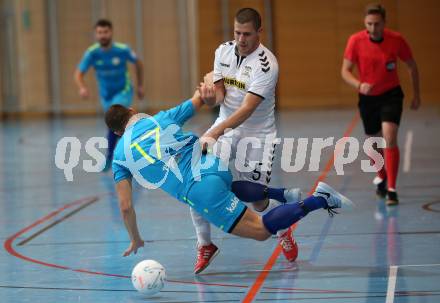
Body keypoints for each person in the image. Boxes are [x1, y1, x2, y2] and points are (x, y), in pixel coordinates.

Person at [104, 91, 353, 263]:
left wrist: (135, 238)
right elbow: (199, 98)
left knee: (262, 230)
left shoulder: (120, 157)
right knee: (228, 187)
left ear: (116, 132)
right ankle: (280, 194)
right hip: (213, 164)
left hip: (200, 188)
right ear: (132, 111)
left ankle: (319, 199)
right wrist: (210, 83)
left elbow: (125, 206)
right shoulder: (160, 118)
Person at [189, 7, 303, 274]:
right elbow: (220, 95)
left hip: (257, 134)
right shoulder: (223, 51)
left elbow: (246, 110)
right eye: (237, 33)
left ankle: (283, 228)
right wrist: (209, 99)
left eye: (247, 34)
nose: (241, 39)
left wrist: (216, 131)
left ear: (259, 33)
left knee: (258, 203)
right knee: (197, 180)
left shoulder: (267, 65)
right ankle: (204, 244)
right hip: (225, 126)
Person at [341, 3, 421, 206]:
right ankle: (382, 175)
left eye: (377, 24)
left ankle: (392, 189)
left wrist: (416, 95)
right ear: (364, 23)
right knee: (372, 144)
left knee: (389, 136)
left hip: (391, 95)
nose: (373, 28)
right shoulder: (355, 41)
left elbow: (411, 66)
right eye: (369, 24)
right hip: (368, 98)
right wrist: (359, 84)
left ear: (384, 23)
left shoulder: (396, 40)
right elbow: (345, 71)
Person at [74, 18, 144, 171]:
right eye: (99, 33)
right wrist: (82, 87)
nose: (102, 35)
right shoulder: (92, 53)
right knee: (117, 126)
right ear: (96, 35)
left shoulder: (122, 50)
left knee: (117, 119)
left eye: (105, 32)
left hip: (123, 91)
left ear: (111, 32)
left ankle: (114, 158)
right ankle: (127, 156)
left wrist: (139, 85)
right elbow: (79, 73)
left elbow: (138, 63)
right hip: (106, 95)